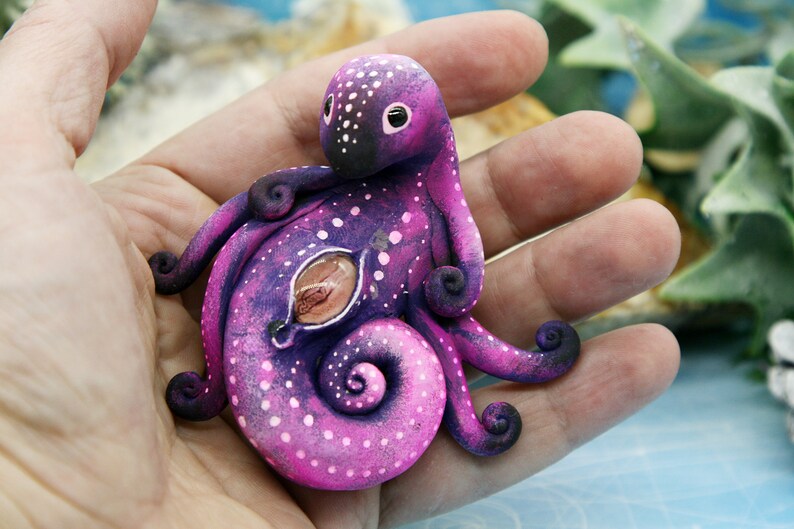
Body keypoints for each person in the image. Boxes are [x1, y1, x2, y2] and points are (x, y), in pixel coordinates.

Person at [0, 1, 681, 528]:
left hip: (357, 405)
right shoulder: (358, 200)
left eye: (391, 122)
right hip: (296, 395)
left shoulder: (424, 204)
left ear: (422, 123)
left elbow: (460, 271)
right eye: (332, 113)